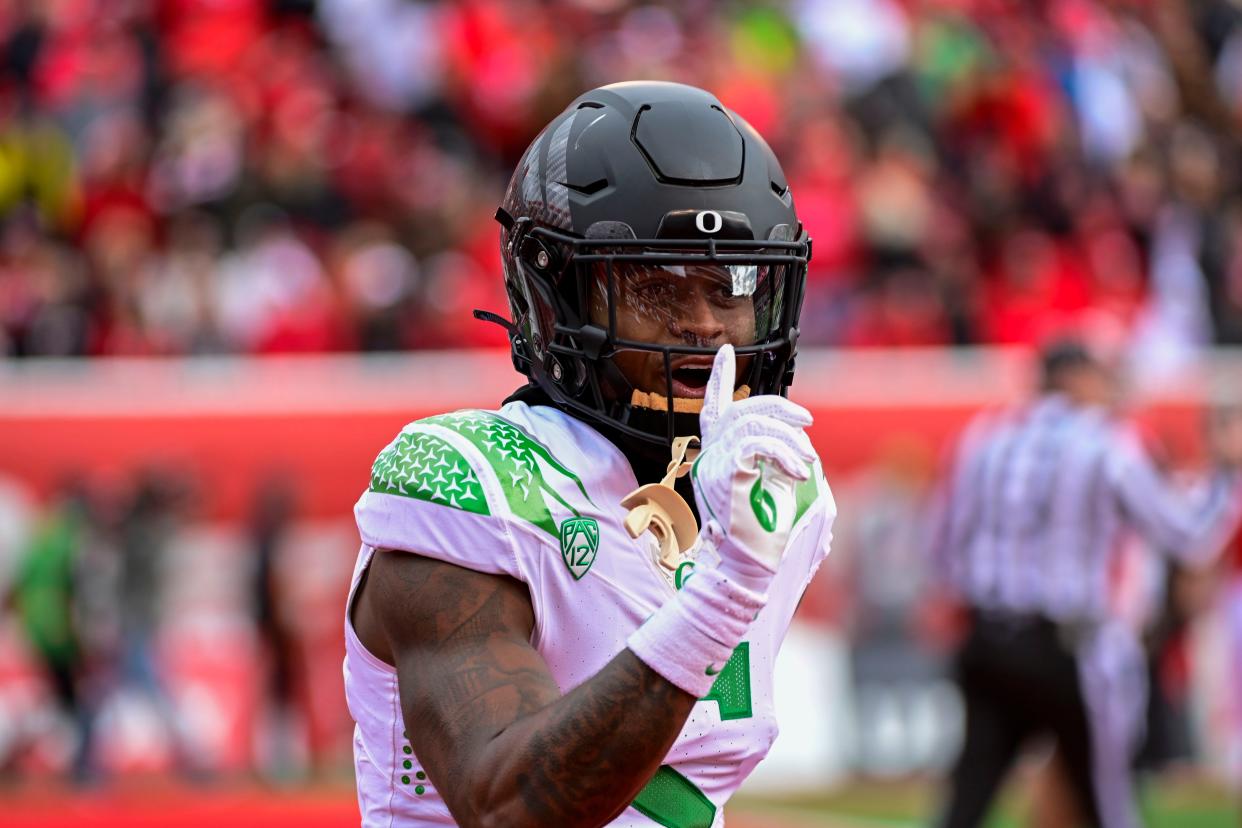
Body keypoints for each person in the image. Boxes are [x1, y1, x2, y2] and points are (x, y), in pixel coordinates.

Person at [343, 81, 835, 827]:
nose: (705, 324)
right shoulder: (469, 480)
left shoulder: (780, 488)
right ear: (559, 294)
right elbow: (507, 806)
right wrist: (724, 591)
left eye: (731, 286)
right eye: (655, 286)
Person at [928, 340, 1242, 828]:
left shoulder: (982, 437)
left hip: (986, 641)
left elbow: (942, 549)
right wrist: (1228, 472)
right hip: (1064, 650)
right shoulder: (1104, 441)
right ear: (1076, 379)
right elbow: (1188, 535)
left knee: (966, 802)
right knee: (1105, 803)